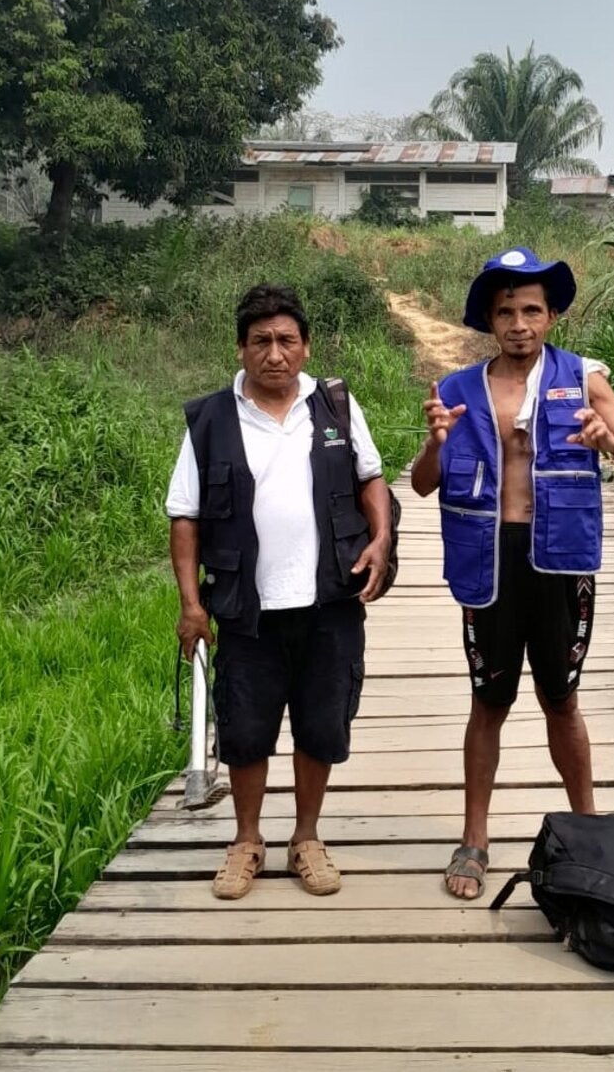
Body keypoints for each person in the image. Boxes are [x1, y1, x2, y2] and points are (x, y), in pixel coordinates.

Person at [410, 247, 614, 900]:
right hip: (490, 563)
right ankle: (475, 837)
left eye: (531, 310)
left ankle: (588, 826)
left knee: (561, 699)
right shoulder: (458, 391)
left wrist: (610, 442)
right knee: (488, 702)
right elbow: (421, 485)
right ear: (489, 321)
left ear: (550, 317)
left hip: (560, 560)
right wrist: (436, 444)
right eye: (505, 312)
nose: (519, 323)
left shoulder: (585, 379)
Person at [167, 283, 393, 900]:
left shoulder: (336, 407)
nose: (275, 353)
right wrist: (192, 606)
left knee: (322, 723)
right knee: (244, 729)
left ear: (305, 345)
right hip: (246, 610)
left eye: (286, 340)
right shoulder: (210, 420)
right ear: (241, 348)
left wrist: (381, 539)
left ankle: (306, 838)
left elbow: (371, 477)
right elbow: (184, 516)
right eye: (261, 341)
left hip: (329, 602)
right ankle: (245, 841)